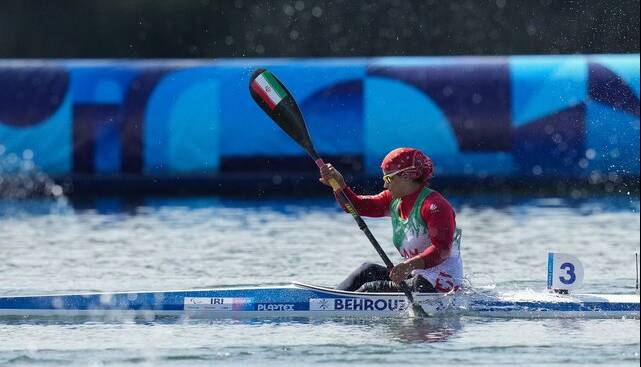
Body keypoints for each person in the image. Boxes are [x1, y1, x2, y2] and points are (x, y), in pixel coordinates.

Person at [319, 147, 463, 293]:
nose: (385, 185)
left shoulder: (434, 206)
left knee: (369, 289)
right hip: (416, 277)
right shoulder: (392, 199)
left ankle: (332, 305)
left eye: (389, 178)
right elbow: (356, 207)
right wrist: (338, 185)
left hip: (440, 284)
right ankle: (330, 298)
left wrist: (408, 265)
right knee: (366, 270)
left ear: (408, 176)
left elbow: (442, 250)